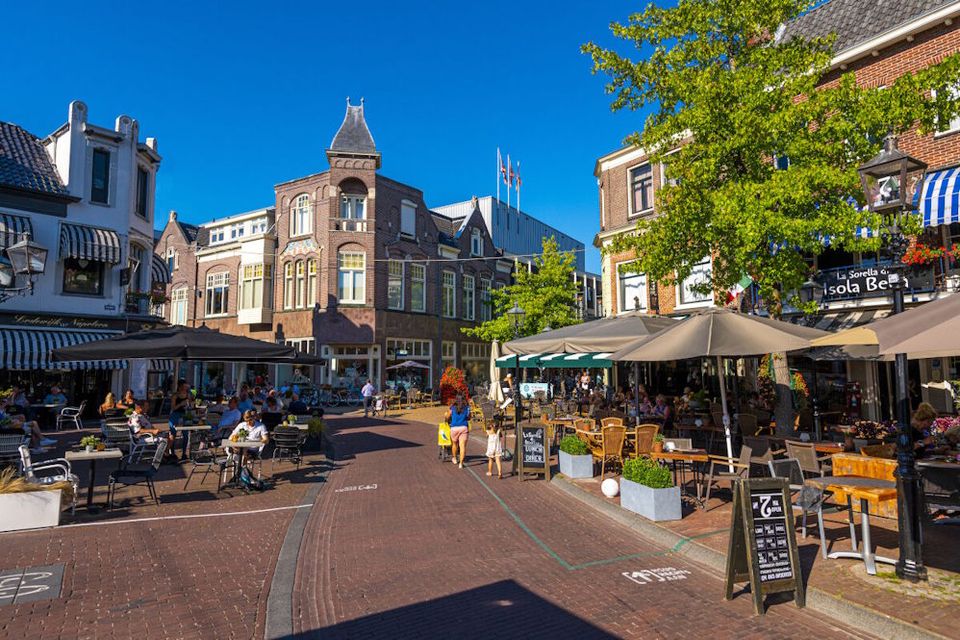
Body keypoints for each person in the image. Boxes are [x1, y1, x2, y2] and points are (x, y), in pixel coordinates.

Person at [168, 381, 193, 460]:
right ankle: (172, 453)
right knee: (173, 434)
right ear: (180, 387)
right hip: (175, 415)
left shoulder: (188, 395)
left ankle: (184, 453)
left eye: (186, 387)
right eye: (184, 387)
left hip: (184, 415)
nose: (185, 389)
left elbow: (191, 406)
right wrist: (181, 404)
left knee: (185, 434)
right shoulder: (175, 396)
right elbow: (173, 408)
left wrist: (190, 404)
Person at [447, 394, 471, 469]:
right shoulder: (467, 408)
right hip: (463, 427)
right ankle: (461, 463)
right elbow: (469, 417)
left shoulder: (452, 407)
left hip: (454, 428)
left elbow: (447, 416)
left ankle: (454, 458)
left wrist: (448, 420)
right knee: (462, 446)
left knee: (454, 444)